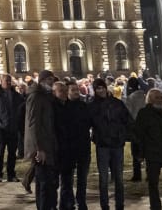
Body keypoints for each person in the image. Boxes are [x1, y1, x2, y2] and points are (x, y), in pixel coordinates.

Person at [89, 78, 130, 210]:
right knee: (103, 178)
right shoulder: (93, 106)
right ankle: (104, 205)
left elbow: (127, 120)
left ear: (105, 88)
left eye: (102, 87)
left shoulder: (117, 103)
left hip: (117, 143)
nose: (100, 90)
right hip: (103, 145)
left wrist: (122, 135)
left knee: (119, 177)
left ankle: (120, 204)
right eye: (97, 88)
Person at [25, 69, 58, 210]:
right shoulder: (36, 96)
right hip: (42, 146)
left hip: (48, 143)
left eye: (52, 79)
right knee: (43, 183)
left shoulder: (46, 95)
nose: (52, 82)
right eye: (49, 79)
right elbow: (33, 123)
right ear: (42, 80)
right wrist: (39, 148)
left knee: (48, 182)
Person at [56, 82, 91, 210]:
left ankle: (81, 202)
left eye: (77, 89)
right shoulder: (63, 107)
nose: (76, 92)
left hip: (83, 148)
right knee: (67, 180)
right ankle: (66, 204)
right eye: (73, 90)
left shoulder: (84, 106)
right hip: (68, 149)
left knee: (82, 179)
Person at [0, 73, 24, 183]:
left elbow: (22, 110)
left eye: (9, 80)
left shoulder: (17, 95)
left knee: (12, 153)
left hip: (13, 128)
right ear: (1, 81)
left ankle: (11, 174)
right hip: (1, 128)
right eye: (6, 80)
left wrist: (19, 125)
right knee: (0, 152)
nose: (8, 82)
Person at [123, 76, 146, 181]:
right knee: (146, 149)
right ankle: (150, 173)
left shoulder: (130, 98)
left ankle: (137, 175)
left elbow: (128, 113)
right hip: (146, 126)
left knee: (135, 151)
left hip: (135, 126)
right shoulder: (145, 96)